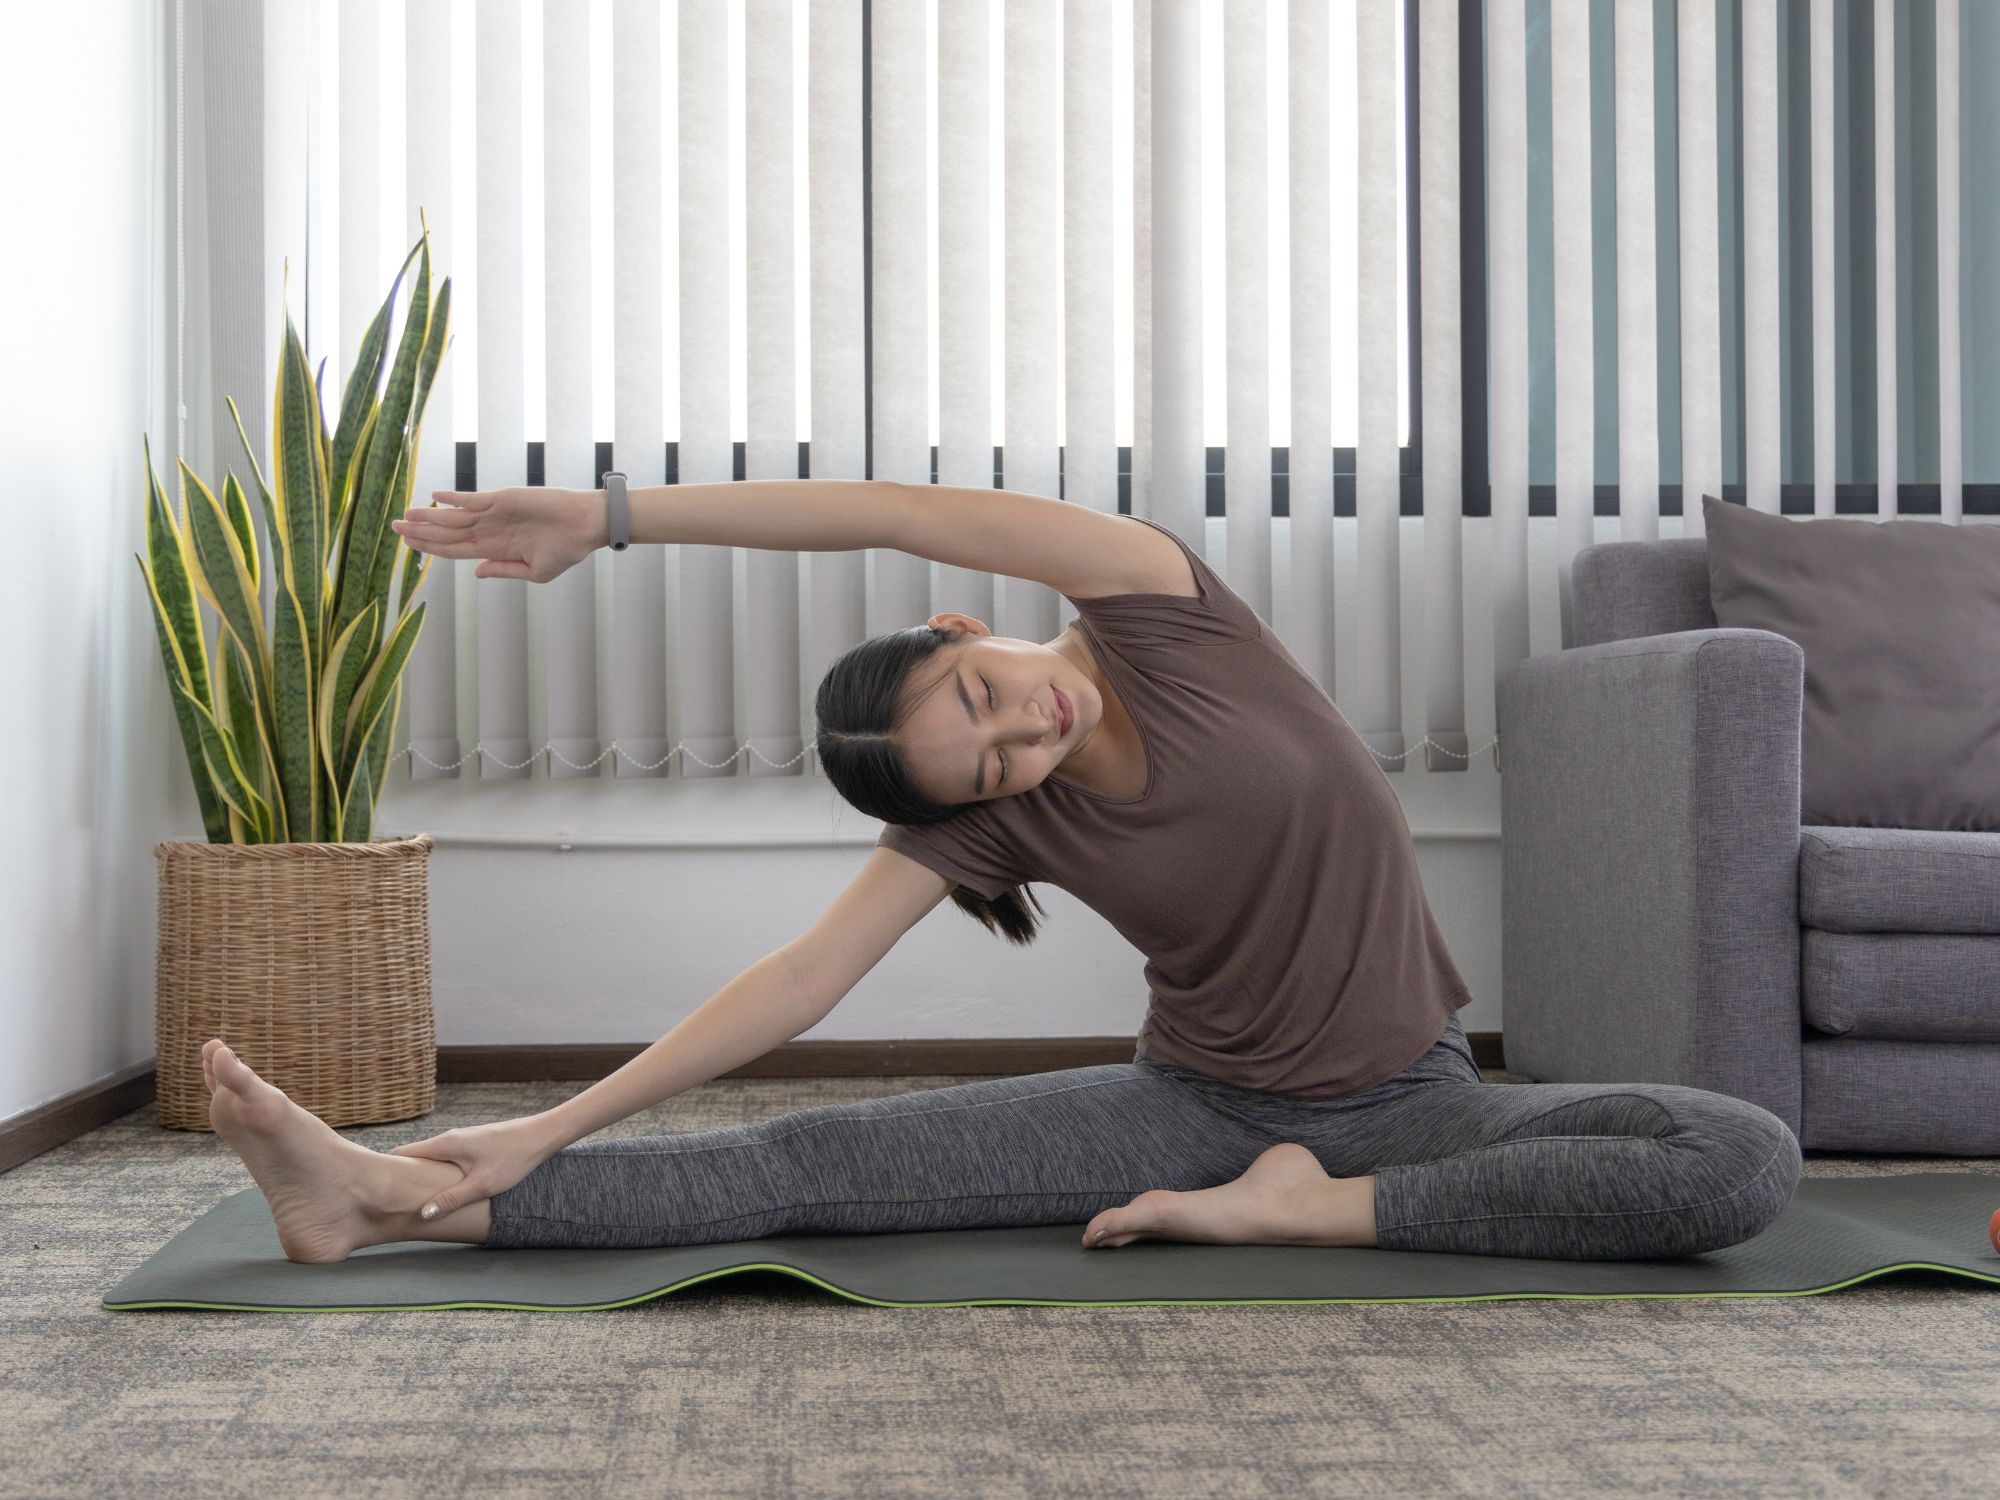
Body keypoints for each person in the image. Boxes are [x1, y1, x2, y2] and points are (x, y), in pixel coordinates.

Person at [197, 476, 1802, 1266]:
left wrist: (615, 517)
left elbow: (885, 500)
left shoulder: (1157, 608)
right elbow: (802, 983)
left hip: (1417, 1098)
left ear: (969, 631)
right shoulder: (990, 818)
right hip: (1196, 1103)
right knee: (803, 1173)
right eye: (994, 766)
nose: (1023, 738)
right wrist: (545, 1122)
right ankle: (387, 1200)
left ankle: (1317, 1216)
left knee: (1736, 1158)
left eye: (983, 700)